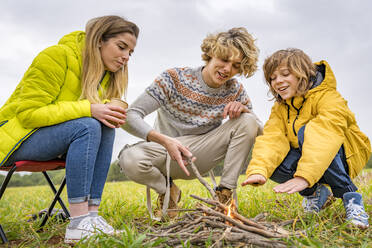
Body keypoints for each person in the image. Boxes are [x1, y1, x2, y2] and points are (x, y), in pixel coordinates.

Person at [0, 16, 139, 242]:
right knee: (88, 125)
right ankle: (77, 222)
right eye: (121, 47)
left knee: (103, 127)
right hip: (14, 139)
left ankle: (91, 216)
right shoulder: (55, 56)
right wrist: (89, 109)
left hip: (52, 139)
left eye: (130, 53)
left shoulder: (103, 76)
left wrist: (104, 113)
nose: (125, 57)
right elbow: (28, 114)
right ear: (99, 40)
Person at [118, 27, 262, 219]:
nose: (228, 69)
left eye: (236, 66)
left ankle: (224, 196)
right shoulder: (174, 78)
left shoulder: (234, 90)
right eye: (224, 60)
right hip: (165, 152)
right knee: (129, 158)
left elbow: (258, 129)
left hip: (200, 153)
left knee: (248, 119)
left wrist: (244, 110)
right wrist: (163, 140)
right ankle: (167, 191)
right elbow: (130, 116)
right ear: (211, 53)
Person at [242, 48, 371, 229]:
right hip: (310, 156)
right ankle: (316, 194)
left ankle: (352, 200)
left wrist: (304, 177)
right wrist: (259, 170)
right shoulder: (280, 108)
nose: (277, 81)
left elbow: (325, 137)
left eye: (285, 74)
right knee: (271, 160)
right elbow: (272, 139)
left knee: (308, 131)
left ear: (302, 74)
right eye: (272, 78)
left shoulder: (329, 97)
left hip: (345, 154)